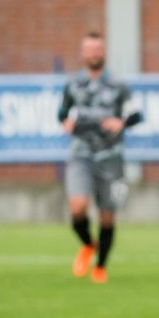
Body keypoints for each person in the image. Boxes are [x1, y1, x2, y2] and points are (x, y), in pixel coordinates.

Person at [58, 31, 141, 284]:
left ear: (103, 53)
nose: (94, 53)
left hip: (111, 158)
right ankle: (87, 244)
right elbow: (62, 113)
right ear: (83, 54)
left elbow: (136, 114)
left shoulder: (118, 85)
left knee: (107, 215)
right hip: (81, 155)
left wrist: (122, 122)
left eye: (98, 49)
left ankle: (100, 267)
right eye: (89, 49)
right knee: (78, 207)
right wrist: (66, 123)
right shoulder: (73, 84)